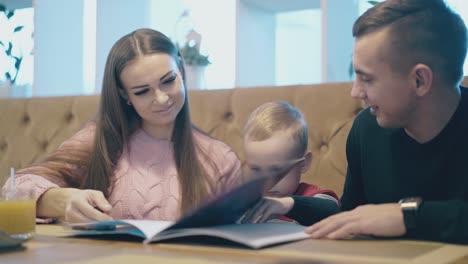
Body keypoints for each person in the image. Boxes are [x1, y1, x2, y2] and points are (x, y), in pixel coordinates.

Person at [245, 0, 468, 244]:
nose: (355, 92)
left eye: (366, 79)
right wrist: (289, 204)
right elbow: (350, 217)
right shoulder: (366, 129)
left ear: (419, 80)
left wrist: (406, 216)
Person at [2, 28, 243, 223]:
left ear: (180, 69)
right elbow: (14, 188)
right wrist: (64, 200)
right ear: (124, 94)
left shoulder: (220, 159)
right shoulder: (101, 140)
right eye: (142, 92)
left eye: (168, 81)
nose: (161, 98)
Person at [241, 101, 340, 224]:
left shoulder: (311, 196)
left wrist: (288, 204)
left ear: (304, 164)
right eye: (256, 170)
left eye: (276, 171)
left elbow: (333, 211)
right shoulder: (249, 200)